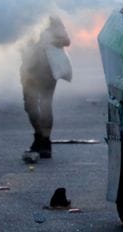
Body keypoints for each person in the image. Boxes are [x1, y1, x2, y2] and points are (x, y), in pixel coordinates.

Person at [20, 16, 72, 159]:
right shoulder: (19, 16)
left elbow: (66, 41)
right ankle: (39, 136)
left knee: (45, 104)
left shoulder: (52, 19)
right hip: (28, 69)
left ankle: (45, 141)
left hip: (46, 70)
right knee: (30, 106)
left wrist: (48, 42)